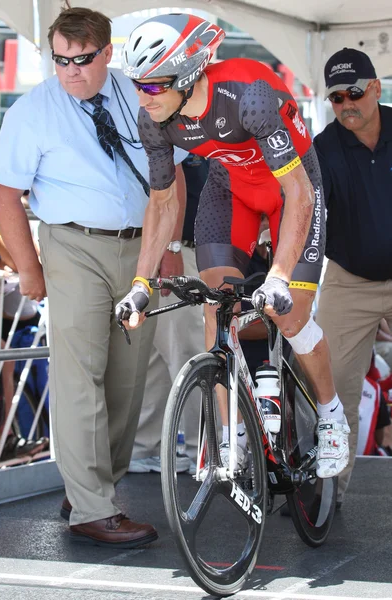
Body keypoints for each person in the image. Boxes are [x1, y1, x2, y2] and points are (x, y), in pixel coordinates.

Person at [117, 13, 350, 479]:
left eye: (154, 85)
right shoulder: (156, 119)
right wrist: (140, 282)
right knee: (215, 306)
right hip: (233, 189)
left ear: (186, 76)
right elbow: (162, 203)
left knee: (290, 312)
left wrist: (280, 275)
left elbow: (300, 194)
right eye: (137, 85)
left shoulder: (250, 98)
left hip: (293, 189)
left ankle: (331, 414)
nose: (143, 97)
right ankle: (230, 435)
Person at [0, 6, 187, 548]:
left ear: (107, 53)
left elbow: (167, 175)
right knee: (80, 376)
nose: (71, 71)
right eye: (61, 60)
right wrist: (29, 269)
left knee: (127, 381)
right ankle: (92, 508)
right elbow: (4, 195)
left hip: (140, 251)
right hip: (71, 245)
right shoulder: (31, 111)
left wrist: (168, 247)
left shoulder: (140, 93)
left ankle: (93, 487)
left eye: (82, 60)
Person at [313, 47, 392, 506]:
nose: (346, 104)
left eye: (355, 93)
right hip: (347, 279)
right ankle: (325, 495)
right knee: (332, 390)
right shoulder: (322, 148)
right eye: (337, 97)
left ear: (377, 89)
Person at [129, 153, 208, 474]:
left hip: (165, 250)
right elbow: (170, 180)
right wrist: (171, 249)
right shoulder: (165, 121)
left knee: (160, 357)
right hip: (174, 251)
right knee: (186, 354)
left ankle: (144, 447)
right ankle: (200, 452)